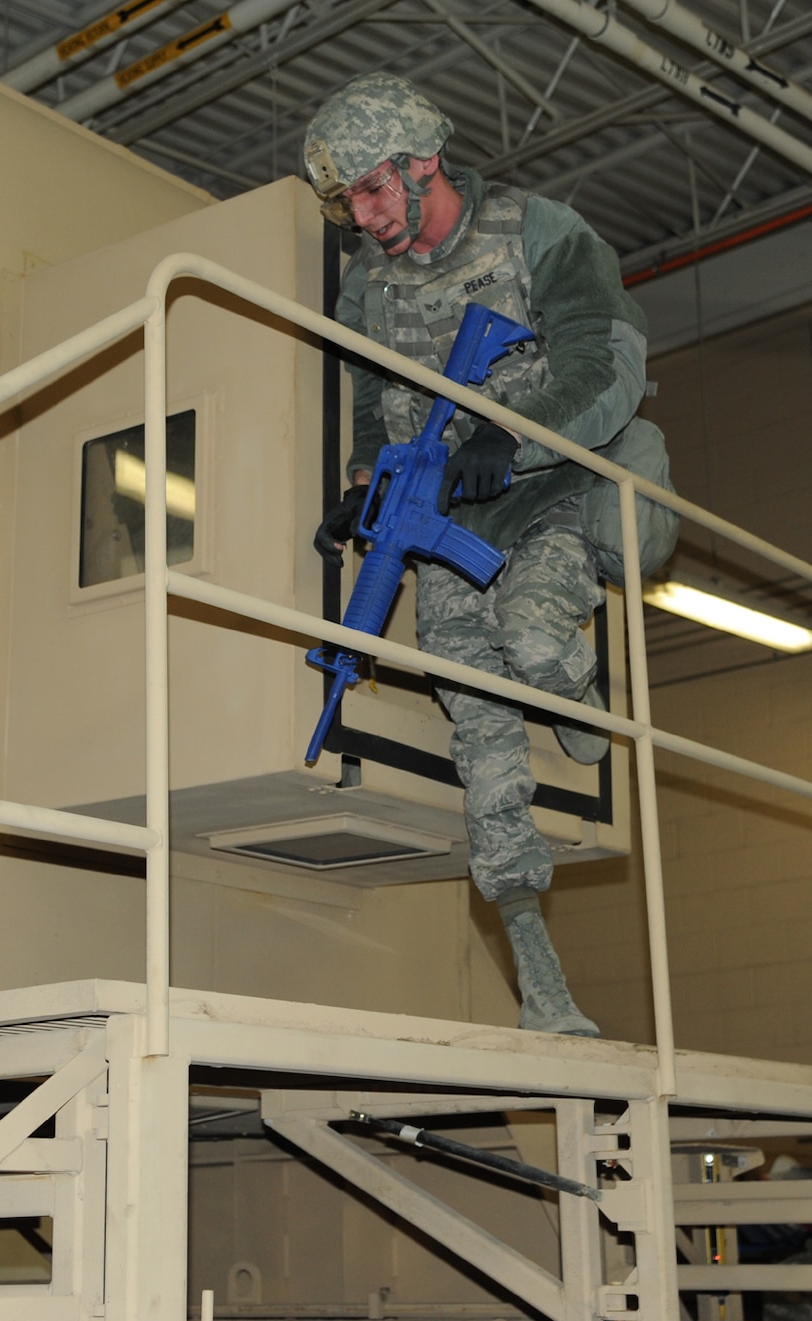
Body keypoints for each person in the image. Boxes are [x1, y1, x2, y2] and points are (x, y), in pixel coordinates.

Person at [303, 73, 678, 1038]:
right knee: (484, 748)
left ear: (424, 160)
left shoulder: (539, 231)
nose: (365, 217)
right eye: (347, 202)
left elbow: (609, 362)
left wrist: (513, 437)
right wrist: (360, 491)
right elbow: (366, 399)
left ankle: (578, 690)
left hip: (546, 495)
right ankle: (543, 986)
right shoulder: (366, 286)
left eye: (375, 191)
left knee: (537, 642)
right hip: (436, 523)